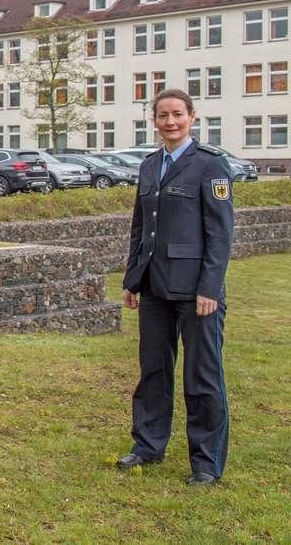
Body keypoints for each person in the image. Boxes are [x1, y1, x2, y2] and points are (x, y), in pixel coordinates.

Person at [116, 88, 234, 486]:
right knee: (154, 371)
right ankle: (148, 446)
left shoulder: (210, 166)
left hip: (197, 291)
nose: (171, 121)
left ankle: (205, 462)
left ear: (192, 117)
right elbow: (140, 228)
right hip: (154, 287)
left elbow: (220, 235)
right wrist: (133, 278)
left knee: (202, 376)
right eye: (163, 115)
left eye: (178, 114)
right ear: (154, 120)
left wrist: (210, 289)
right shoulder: (150, 166)